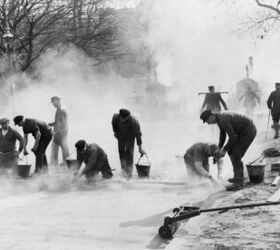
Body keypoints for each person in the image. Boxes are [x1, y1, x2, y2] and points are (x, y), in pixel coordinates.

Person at [200, 110, 257, 191]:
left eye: (207, 121)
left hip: (248, 131)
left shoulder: (223, 119)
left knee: (236, 153)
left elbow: (233, 137)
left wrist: (224, 149)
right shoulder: (220, 118)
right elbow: (222, 134)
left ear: (211, 117)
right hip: (242, 132)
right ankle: (238, 177)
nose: (208, 123)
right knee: (231, 151)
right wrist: (219, 148)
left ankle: (239, 183)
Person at [112, 109, 146, 177]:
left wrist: (140, 149)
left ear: (128, 117)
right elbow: (114, 125)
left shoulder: (134, 122)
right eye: (122, 118)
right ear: (120, 116)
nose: (123, 120)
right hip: (121, 136)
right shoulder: (116, 118)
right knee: (121, 151)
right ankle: (123, 170)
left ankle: (129, 172)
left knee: (129, 152)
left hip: (130, 136)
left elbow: (138, 135)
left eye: (125, 118)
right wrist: (115, 132)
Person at [48, 96, 70, 166]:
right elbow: (57, 121)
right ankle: (63, 162)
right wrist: (49, 124)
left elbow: (61, 123)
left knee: (61, 147)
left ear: (57, 101)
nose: (53, 104)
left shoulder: (61, 109)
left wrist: (55, 132)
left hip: (61, 133)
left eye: (53, 102)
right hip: (61, 132)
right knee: (60, 147)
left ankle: (63, 163)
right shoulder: (60, 108)